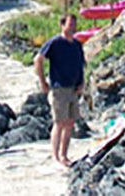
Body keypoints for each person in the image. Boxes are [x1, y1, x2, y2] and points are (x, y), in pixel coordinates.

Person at [34, 14, 86, 168]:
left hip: (73, 88)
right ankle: (56, 155)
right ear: (62, 25)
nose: (72, 28)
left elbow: (80, 65)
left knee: (70, 123)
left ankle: (64, 154)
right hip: (59, 88)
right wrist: (43, 81)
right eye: (70, 25)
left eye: (74, 25)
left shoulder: (77, 44)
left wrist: (82, 83)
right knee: (59, 122)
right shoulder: (55, 43)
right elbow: (38, 59)